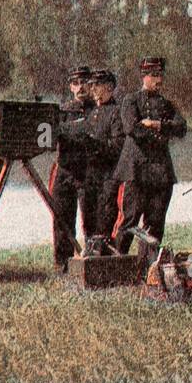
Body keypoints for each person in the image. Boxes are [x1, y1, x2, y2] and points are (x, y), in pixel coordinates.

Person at [111, 56, 187, 260]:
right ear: (144, 76)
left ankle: (148, 266)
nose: (158, 80)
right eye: (154, 75)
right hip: (136, 170)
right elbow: (131, 128)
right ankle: (118, 262)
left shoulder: (167, 104)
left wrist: (156, 125)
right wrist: (160, 134)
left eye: (160, 75)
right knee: (129, 221)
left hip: (161, 172)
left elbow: (181, 127)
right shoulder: (131, 100)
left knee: (155, 222)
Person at [50, 65, 93, 271]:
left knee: (91, 219)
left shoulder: (99, 110)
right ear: (71, 87)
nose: (80, 87)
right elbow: (52, 136)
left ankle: (92, 262)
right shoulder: (63, 111)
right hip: (65, 170)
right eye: (76, 83)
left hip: (89, 172)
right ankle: (62, 264)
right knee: (62, 219)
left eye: (84, 82)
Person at [82, 69, 125, 256]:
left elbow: (117, 145)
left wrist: (94, 144)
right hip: (91, 174)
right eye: (91, 85)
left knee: (106, 216)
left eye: (96, 85)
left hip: (109, 175)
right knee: (88, 215)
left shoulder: (117, 112)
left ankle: (104, 258)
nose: (92, 89)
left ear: (109, 87)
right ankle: (91, 255)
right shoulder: (92, 113)